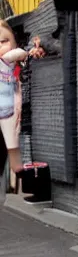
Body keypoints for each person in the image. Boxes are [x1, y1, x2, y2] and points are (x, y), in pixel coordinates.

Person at [0, 20, 28, 175]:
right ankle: (17, 168)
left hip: (10, 110)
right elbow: (17, 54)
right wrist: (25, 53)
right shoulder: (4, 61)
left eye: (4, 41)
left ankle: (17, 168)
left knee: (11, 142)